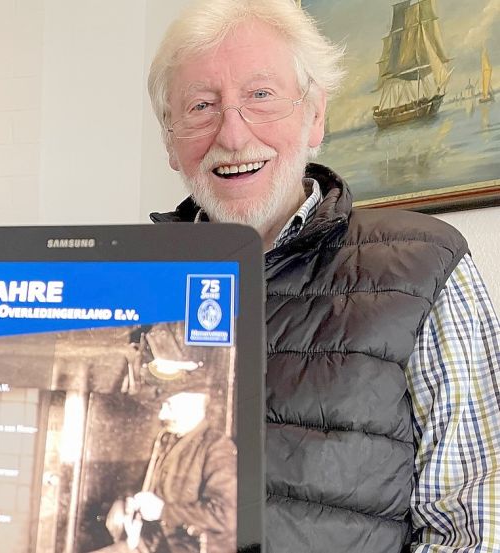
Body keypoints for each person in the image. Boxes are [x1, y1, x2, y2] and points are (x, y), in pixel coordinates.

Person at [146, 0, 500, 551]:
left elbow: (475, 526)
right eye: (201, 105)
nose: (233, 135)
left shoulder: (429, 267)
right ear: (171, 140)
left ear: (315, 117)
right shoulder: (122, 279)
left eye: (260, 96)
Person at [94, 392, 237, 553]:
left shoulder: (217, 447)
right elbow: (145, 485)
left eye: (168, 405)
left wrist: (163, 511)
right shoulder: (168, 440)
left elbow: (225, 516)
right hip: (149, 544)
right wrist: (124, 500)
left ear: (192, 404)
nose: (161, 414)